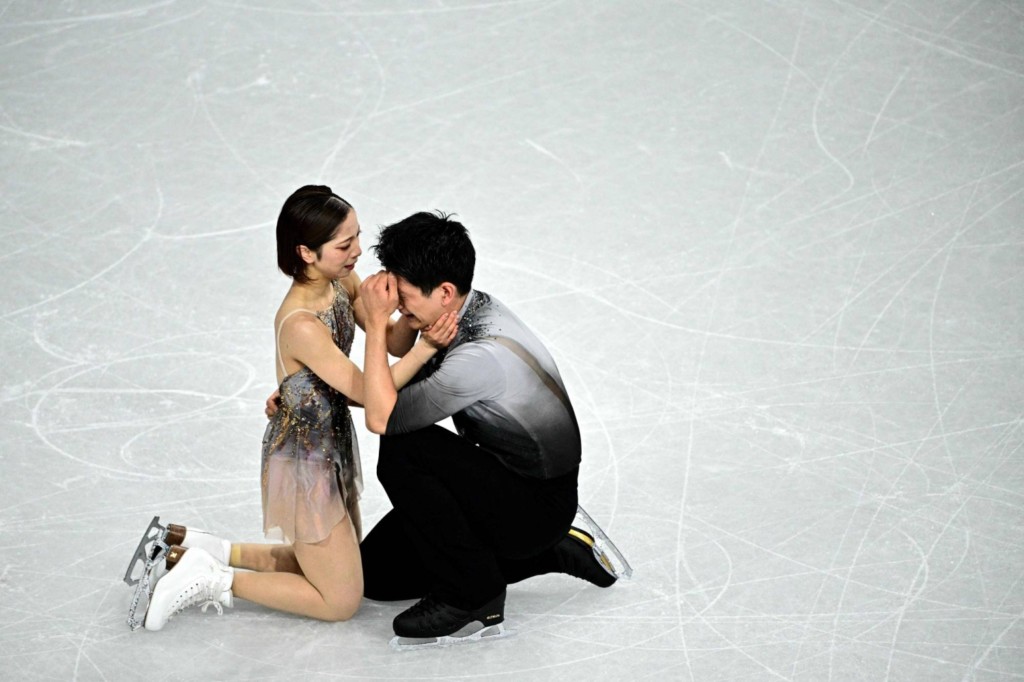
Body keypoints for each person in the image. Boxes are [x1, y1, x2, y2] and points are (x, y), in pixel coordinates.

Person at [123, 186, 457, 632]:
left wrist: (399, 309)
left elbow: (393, 343)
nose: (358, 251)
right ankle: (212, 579)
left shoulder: (341, 281)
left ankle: (200, 550)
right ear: (306, 253)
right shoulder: (301, 323)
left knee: (330, 564)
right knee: (340, 600)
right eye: (345, 244)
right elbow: (366, 392)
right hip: (302, 462)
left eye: (357, 237)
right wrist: (426, 346)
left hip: (331, 443)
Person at [356, 211, 629, 648]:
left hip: (535, 505)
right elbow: (398, 347)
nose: (397, 306)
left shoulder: (479, 357)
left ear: (445, 292)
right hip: (500, 480)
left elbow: (381, 417)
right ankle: (550, 552)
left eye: (403, 296)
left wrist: (373, 323)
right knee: (375, 576)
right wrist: (394, 311)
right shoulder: (459, 307)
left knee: (403, 448)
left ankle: (475, 595)